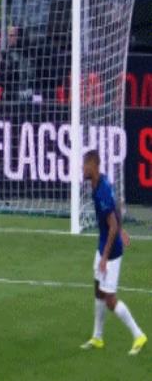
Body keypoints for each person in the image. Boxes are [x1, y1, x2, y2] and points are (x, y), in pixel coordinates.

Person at [80, 150, 147, 355]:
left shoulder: (101, 191)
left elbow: (112, 226)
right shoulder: (100, 182)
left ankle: (138, 335)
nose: (82, 169)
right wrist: (121, 228)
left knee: (109, 299)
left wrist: (105, 257)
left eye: (85, 165)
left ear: (93, 166)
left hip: (111, 250)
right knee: (97, 289)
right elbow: (116, 207)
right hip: (103, 245)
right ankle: (97, 337)